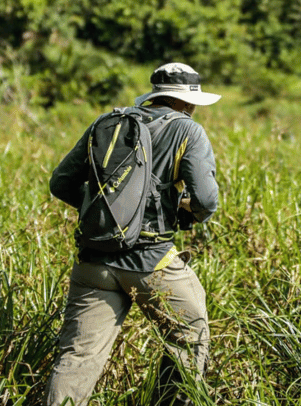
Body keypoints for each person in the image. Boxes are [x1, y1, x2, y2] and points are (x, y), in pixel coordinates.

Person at [45, 62, 221, 406]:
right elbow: (206, 199)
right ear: (188, 102)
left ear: (155, 95)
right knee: (191, 334)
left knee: (77, 358)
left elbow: (60, 183)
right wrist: (184, 210)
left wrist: (102, 213)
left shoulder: (108, 122)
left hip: (94, 261)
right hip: (151, 263)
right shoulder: (188, 130)